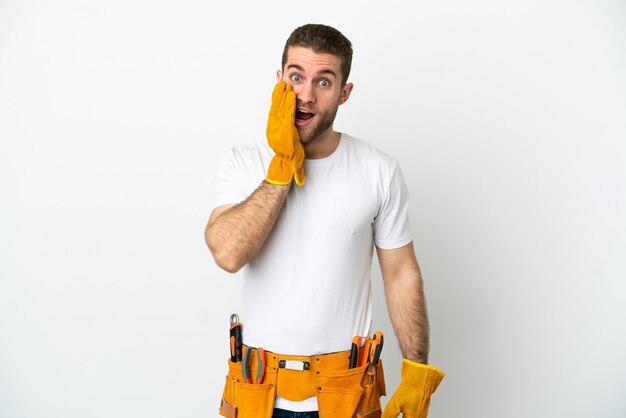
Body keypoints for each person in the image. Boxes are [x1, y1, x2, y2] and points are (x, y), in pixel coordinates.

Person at [205, 24, 444, 418]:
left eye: (324, 81)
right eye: (296, 77)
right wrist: (281, 168)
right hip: (256, 394)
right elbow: (229, 254)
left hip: (345, 397)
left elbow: (401, 273)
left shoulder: (378, 170)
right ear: (279, 80)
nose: (306, 95)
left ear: (344, 93)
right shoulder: (243, 162)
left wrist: (416, 367)